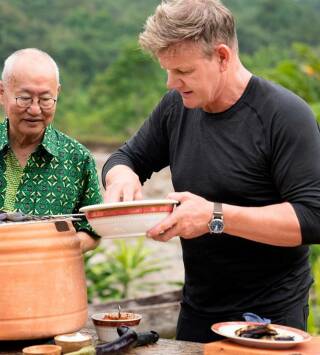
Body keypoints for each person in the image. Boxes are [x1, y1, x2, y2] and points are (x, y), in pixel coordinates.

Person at [102, 0, 320, 343]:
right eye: (167, 71)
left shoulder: (285, 115)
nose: (172, 83)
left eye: (183, 72)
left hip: (270, 319)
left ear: (222, 57)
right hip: (198, 312)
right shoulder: (177, 107)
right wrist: (122, 177)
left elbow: (312, 218)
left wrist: (214, 216)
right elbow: (125, 157)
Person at [0, 48, 102, 252]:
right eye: (25, 98)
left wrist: (63, 247)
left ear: (58, 94)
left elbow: (92, 228)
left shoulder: (77, 158)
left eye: (46, 99)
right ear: (2, 93)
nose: (35, 109)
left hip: (50, 278)